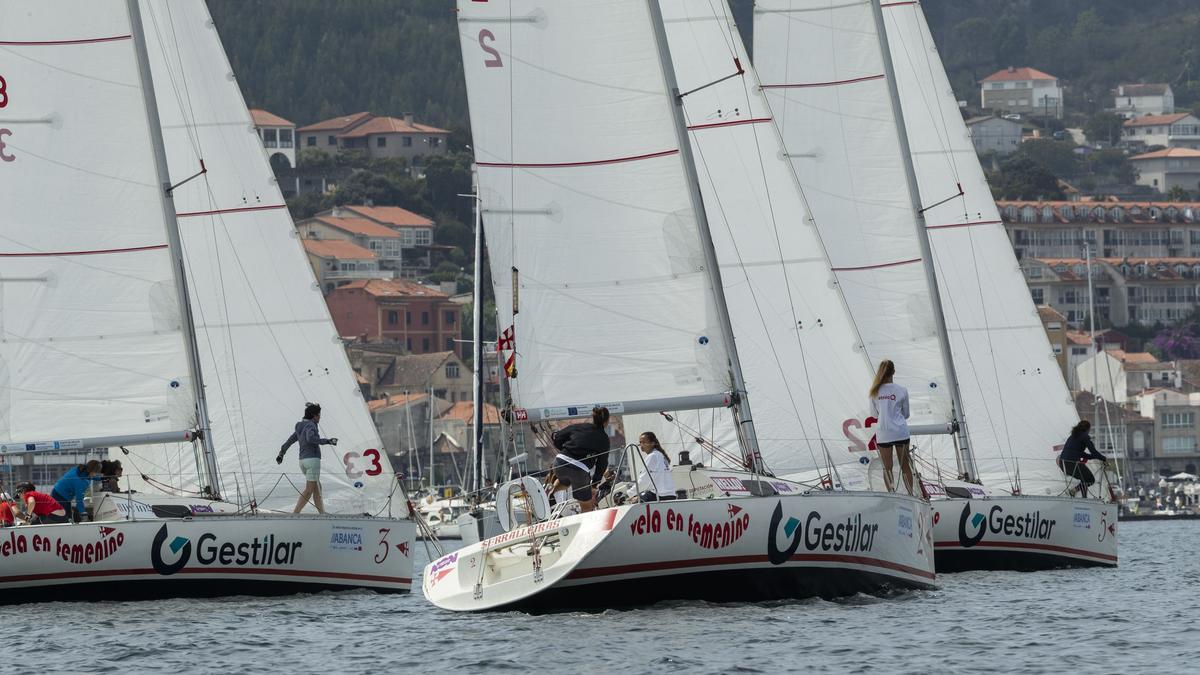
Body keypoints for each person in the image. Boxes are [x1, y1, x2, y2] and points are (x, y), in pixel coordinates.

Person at [278, 402, 338, 514]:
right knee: (309, 490)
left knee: (317, 488)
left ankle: (322, 514)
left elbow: (290, 440)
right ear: (314, 416)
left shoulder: (299, 426)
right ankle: (295, 514)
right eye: (319, 415)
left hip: (302, 461)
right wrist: (328, 441)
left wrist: (282, 452)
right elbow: (310, 438)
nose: (320, 417)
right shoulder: (311, 425)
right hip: (312, 460)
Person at [551, 407, 611, 513]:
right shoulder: (604, 439)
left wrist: (566, 450)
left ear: (593, 418)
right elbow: (602, 464)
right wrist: (594, 485)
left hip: (559, 462)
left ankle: (551, 493)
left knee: (564, 482)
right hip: (578, 470)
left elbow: (558, 437)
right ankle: (587, 528)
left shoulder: (579, 426)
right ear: (606, 421)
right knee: (587, 506)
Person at [869, 359, 914, 496]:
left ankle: (892, 495)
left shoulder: (874, 392)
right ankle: (910, 494)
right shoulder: (902, 390)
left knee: (887, 468)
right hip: (900, 432)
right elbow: (906, 414)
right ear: (893, 371)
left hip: (884, 433)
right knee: (905, 466)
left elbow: (874, 415)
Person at [1058, 420, 1108, 498]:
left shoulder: (1072, 437)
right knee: (1090, 480)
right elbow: (1093, 452)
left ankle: (1080, 495)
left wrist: (1096, 457)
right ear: (1087, 429)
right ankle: (1079, 495)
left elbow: (1081, 454)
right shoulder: (1085, 436)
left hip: (1063, 464)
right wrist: (1104, 459)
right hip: (1072, 463)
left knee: (1084, 479)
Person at [635, 432, 675, 502]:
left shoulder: (652, 456)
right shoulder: (660, 455)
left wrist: (629, 493)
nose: (641, 445)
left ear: (652, 443)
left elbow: (644, 480)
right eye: (640, 442)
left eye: (644, 442)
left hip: (658, 495)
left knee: (632, 501)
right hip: (670, 495)